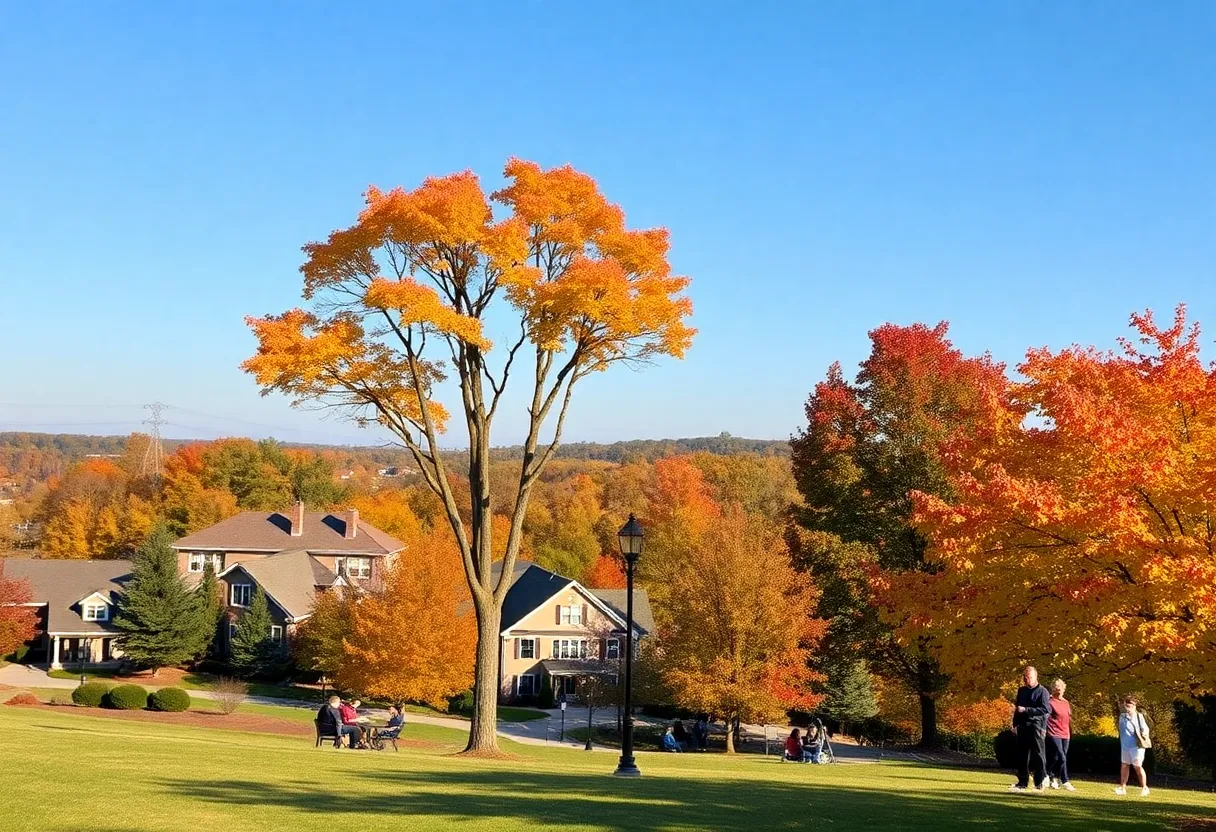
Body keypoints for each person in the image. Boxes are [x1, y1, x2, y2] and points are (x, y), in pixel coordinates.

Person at [1009, 665, 1051, 792]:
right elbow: (1017, 708)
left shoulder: (1042, 691)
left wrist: (1027, 710)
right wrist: (1015, 724)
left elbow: (1045, 709)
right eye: (1025, 677)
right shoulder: (1022, 690)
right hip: (1023, 726)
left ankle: (1039, 782)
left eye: (1029, 677)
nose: (1027, 680)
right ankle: (1022, 782)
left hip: (1036, 726)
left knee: (1038, 755)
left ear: (1035, 677)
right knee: (1022, 755)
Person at [1115, 695, 1151, 797]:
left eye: (1130, 703)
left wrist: (1142, 736)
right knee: (1125, 765)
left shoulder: (1139, 716)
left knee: (1137, 766)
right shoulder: (1122, 716)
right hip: (1125, 745)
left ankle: (1144, 787)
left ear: (1134, 705)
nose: (1128, 705)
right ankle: (1122, 787)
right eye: (1126, 703)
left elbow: (1145, 730)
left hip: (1137, 746)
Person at [1046, 679, 1074, 791]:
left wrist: (1071, 731)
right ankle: (1065, 780)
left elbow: (1068, 718)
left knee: (1057, 757)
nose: (1058, 688)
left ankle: (1050, 775)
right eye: (1056, 686)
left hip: (1065, 733)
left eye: (1060, 687)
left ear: (1063, 688)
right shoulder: (1049, 702)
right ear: (1052, 688)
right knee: (1061, 756)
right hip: (1054, 732)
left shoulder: (1066, 703)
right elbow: (1045, 716)